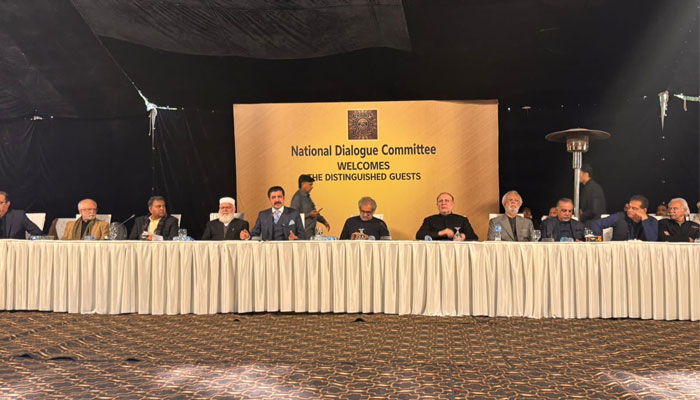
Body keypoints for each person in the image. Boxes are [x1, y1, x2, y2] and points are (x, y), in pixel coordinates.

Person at [591, 194, 658, 241]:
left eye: (634, 208)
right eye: (629, 207)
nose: (629, 210)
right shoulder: (619, 216)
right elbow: (596, 224)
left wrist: (645, 221)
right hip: (618, 251)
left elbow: (652, 240)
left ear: (644, 210)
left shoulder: (652, 221)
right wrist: (598, 242)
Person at [290, 174, 330, 239]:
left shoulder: (307, 197)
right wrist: (309, 214)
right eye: (310, 184)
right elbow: (293, 216)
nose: (312, 187)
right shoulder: (297, 198)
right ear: (303, 184)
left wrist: (324, 221)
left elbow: (314, 212)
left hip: (310, 232)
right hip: (302, 234)